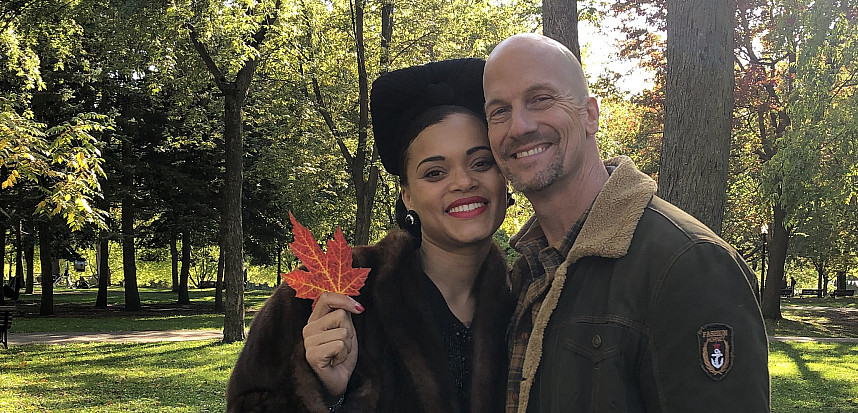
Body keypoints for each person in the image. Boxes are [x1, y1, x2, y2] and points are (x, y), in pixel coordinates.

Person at [482, 33, 771, 412]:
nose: (518, 126)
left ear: (590, 115)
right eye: (499, 111)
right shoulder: (527, 276)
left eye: (541, 99)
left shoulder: (689, 265)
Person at [227, 58, 514, 413]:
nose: (463, 182)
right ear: (407, 196)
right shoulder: (326, 296)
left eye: (481, 163)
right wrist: (327, 392)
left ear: (504, 176)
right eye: (435, 172)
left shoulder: (528, 300)